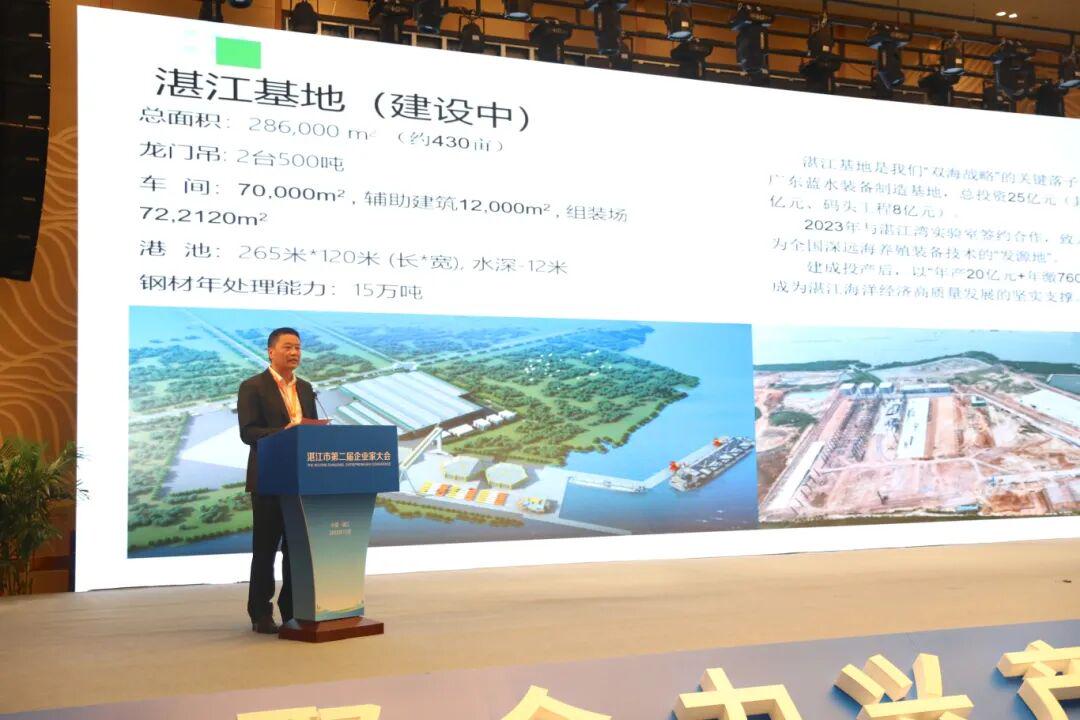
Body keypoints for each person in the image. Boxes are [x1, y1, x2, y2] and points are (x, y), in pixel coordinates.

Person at [237, 327, 318, 634]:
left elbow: (310, 430)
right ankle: (260, 613)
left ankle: (292, 611)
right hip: (269, 479)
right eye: (288, 347)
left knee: (296, 550)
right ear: (271, 351)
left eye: (298, 347)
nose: (294, 352)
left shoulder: (306, 388)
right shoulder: (252, 387)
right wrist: (284, 433)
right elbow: (249, 432)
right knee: (265, 550)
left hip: (301, 481)